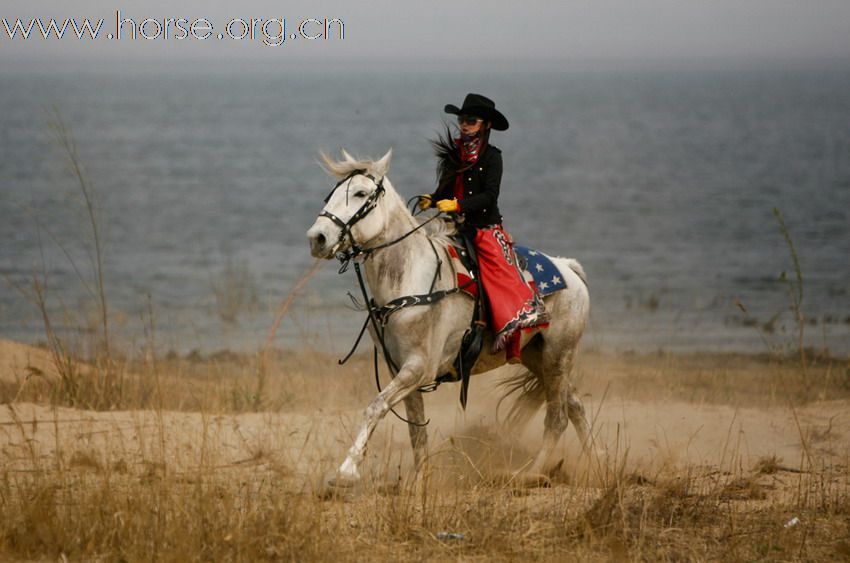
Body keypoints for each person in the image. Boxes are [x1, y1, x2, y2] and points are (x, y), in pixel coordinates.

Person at [419, 93, 548, 363]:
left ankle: (511, 332)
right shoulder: (456, 154)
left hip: (484, 229)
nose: (464, 125)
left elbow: (490, 196)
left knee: (497, 277)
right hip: (453, 228)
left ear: (485, 125)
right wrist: (432, 199)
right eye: (462, 120)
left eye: (471, 120)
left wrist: (457, 206)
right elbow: (445, 189)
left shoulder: (492, 157)